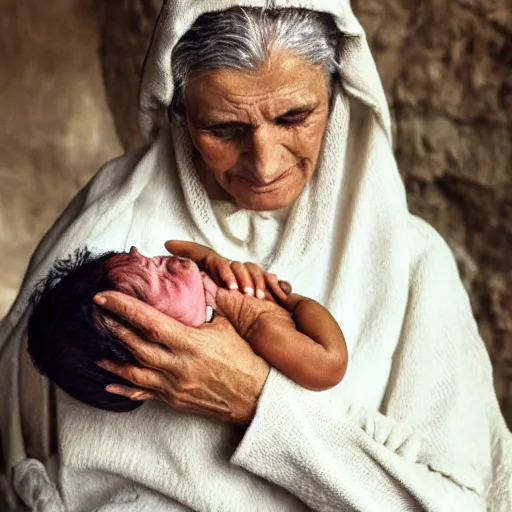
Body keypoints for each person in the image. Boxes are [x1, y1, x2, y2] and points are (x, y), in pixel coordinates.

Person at [1, 1, 511, 511]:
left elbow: (457, 503)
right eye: (223, 128)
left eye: (295, 117)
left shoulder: (409, 260)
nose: (265, 164)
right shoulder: (106, 230)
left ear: (337, 97)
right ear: (180, 115)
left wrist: (256, 401)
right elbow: (19, 451)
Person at [27, 243, 347, 412]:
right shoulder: (257, 329)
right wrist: (293, 303)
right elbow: (329, 364)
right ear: (157, 351)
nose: (156, 256)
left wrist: (213, 260)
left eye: (147, 258)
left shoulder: (208, 288)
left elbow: (178, 246)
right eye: (160, 279)